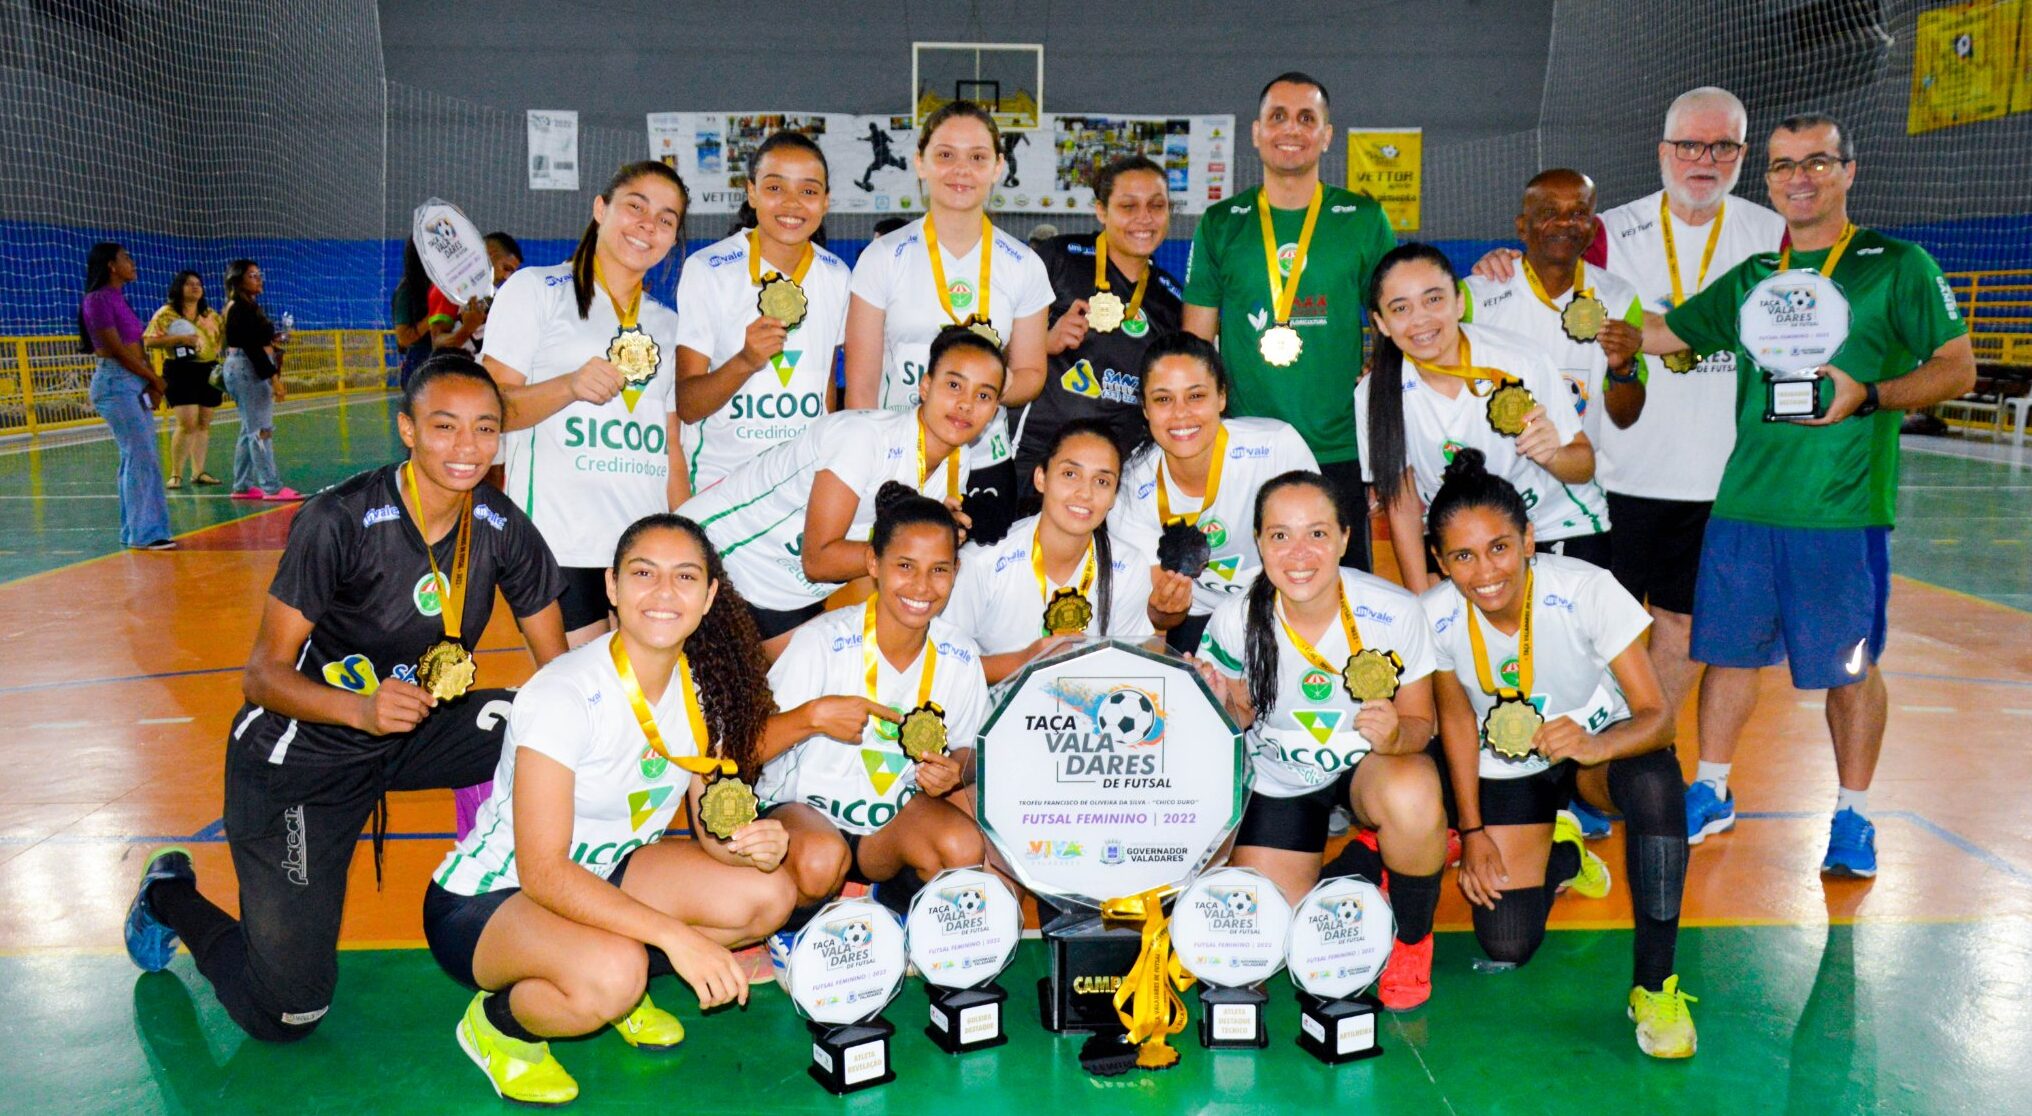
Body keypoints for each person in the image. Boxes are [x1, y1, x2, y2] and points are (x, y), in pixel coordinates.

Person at [122, 354, 570, 1044]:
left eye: (485, 429)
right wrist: (360, 711)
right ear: (408, 430)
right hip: (304, 757)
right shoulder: (340, 520)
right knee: (287, 1011)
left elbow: (559, 672)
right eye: (445, 426)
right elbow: (262, 676)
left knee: (547, 723)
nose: (467, 448)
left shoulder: (500, 524)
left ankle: (508, 887)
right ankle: (168, 893)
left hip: (415, 730)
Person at [1639, 113, 1975, 876]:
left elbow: (1958, 369)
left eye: (1817, 162)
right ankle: (1713, 788)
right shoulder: (1757, 276)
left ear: (1848, 171)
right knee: (1726, 657)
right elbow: (1663, 334)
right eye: (1784, 165)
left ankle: (1853, 814)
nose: (1799, 177)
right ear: (1768, 181)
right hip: (1744, 506)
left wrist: (1873, 392)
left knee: (1848, 670)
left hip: (1840, 513)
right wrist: (1566, 298)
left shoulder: (1898, 265)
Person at [1474, 88, 1786, 843]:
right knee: (1594, 631)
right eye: (1690, 146)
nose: (1704, 161)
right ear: (1663, 151)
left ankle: (1669, 771)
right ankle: (1587, 771)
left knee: (1687, 630)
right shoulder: (1607, 231)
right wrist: (1502, 265)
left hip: (1726, 475)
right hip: (1615, 478)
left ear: (1743, 156)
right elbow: (1548, 283)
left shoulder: (1775, 234)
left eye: (1723, 148)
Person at [425, 514, 795, 1105]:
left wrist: (750, 844)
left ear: (709, 597)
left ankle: (612, 973)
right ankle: (499, 1026)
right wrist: (676, 938)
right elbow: (542, 871)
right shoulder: (564, 695)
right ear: (612, 587)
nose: (664, 593)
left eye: (685, 576)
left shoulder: (700, 687)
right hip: (491, 897)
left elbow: (709, 829)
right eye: (644, 573)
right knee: (615, 974)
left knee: (769, 892)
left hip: (604, 874)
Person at [1423, 449, 1696, 1059]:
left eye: (1498, 546)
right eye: (1462, 556)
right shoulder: (1436, 617)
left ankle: (1655, 986)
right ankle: (1562, 856)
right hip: (1510, 767)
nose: (1485, 570)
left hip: (1600, 757)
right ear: (1439, 562)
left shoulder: (1585, 589)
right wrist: (1471, 831)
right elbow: (1458, 721)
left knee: (1656, 786)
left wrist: (1595, 744)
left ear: (1528, 539)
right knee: (1506, 943)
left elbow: (1658, 717)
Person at [1195, 471, 1446, 1010]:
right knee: (1273, 944)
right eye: (1279, 535)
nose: (1299, 553)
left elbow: (1423, 722)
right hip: (1280, 777)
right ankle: (1365, 861)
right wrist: (1224, 704)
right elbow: (1234, 721)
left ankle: (1412, 937)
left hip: (1366, 770)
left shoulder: (1395, 609)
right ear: (1259, 542)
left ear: (1345, 539)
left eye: (1317, 533)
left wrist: (1399, 734)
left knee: (1414, 794)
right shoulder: (1235, 619)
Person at [680, 326, 1007, 654]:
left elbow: (889, 567)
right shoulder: (863, 437)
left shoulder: (958, 463)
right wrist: (914, 545)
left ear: (995, 411)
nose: (966, 404)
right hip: (716, 555)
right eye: (954, 385)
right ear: (925, 386)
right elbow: (819, 560)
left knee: (801, 689)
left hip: (789, 593)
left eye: (983, 395)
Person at [1182, 72, 1396, 570]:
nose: (1291, 129)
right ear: (1256, 132)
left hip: (1339, 442)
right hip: (1243, 441)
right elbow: (1194, 344)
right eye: (1277, 116)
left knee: (1338, 586)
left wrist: (1381, 376)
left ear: (1326, 135)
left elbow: (1397, 317)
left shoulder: (1362, 218)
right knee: (1241, 584)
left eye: (1307, 118)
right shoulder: (1221, 222)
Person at [755, 482, 990, 927]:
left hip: (888, 824)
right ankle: (791, 931)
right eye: (905, 566)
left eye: (939, 569)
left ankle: (897, 915)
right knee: (821, 860)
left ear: (956, 571)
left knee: (962, 847)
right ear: (872, 563)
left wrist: (954, 770)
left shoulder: (959, 654)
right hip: (805, 814)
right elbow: (746, 750)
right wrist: (813, 717)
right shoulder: (820, 642)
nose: (922, 585)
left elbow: (970, 750)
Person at [484, 161, 689, 647]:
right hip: (558, 543)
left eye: (665, 219)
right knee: (578, 698)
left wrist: (686, 543)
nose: (647, 226)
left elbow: (671, 448)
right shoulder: (536, 291)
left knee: (642, 700)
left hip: (642, 546)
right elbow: (489, 415)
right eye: (635, 207)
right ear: (601, 209)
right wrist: (568, 386)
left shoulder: (668, 324)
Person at [844, 99, 1050, 541]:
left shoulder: (1023, 264)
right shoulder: (883, 257)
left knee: (973, 597)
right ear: (920, 163)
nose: (962, 169)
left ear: (998, 167)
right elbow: (860, 387)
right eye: (945, 155)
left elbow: (1032, 373)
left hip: (984, 458)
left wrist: (974, 392)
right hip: (898, 458)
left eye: (977, 157)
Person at [1354, 243, 1608, 593]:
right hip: (1461, 536)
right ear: (1380, 323)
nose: (1421, 319)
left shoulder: (1520, 361)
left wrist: (1553, 454)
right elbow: (1403, 504)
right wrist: (1421, 600)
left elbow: (1583, 466)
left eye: (1433, 299)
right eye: (1401, 308)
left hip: (1555, 525)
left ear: (1459, 302)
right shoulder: (1375, 392)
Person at [1109, 333, 1317, 653]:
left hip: (1281, 601)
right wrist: (1167, 607)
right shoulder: (1131, 487)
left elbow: (1318, 553)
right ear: (1145, 408)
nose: (1180, 414)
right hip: (1199, 613)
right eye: (1163, 399)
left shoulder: (1276, 448)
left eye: (1195, 396)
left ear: (1221, 397)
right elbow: (1162, 618)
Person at [674, 131, 849, 495]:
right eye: (775, 188)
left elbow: (826, 394)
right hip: (723, 487)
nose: (792, 203)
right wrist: (746, 360)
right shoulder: (709, 269)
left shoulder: (836, 275)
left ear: (826, 201)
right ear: (751, 192)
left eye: (809, 191)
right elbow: (688, 406)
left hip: (801, 488)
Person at [1014, 155, 1183, 513]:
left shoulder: (1171, 297)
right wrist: (1043, 341)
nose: (1144, 218)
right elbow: (988, 346)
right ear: (1101, 211)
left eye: (1157, 206)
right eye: (1128, 206)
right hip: (1036, 454)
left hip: (1116, 474)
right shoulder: (1058, 258)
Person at [946, 419, 1165, 682]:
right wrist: (1025, 662)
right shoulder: (981, 562)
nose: (1085, 493)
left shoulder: (1128, 566)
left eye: (1102, 481)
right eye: (1070, 474)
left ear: (1114, 498)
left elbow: (1131, 666)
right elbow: (944, 668)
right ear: (1041, 478)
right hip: (995, 713)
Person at [1463, 170, 1647, 443]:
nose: (1564, 223)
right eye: (1549, 212)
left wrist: (1623, 369)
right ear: (1522, 227)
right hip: (1493, 476)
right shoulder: (1475, 294)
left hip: (1573, 477)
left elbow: (1625, 418)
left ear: (1593, 230)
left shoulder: (1619, 297)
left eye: (1579, 213)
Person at [78, 242, 174, 550]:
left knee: (138, 456)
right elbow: (117, 351)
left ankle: (134, 531)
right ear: (110, 265)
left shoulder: (119, 299)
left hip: (133, 381)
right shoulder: (96, 300)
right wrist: (154, 378)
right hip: (116, 383)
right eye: (126, 258)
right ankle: (146, 534)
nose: (133, 263)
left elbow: (135, 345)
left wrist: (150, 383)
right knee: (141, 457)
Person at [219, 258, 301, 502]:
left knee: (249, 429)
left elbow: (255, 339)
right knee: (261, 429)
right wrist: (274, 379)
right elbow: (252, 348)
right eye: (252, 275)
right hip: (247, 368)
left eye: (258, 274)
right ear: (238, 280)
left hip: (244, 366)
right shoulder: (240, 308)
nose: (258, 279)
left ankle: (242, 485)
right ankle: (271, 486)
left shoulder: (247, 306)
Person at [143, 270, 225, 489]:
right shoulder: (166, 314)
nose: (195, 287)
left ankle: (198, 471)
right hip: (180, 370)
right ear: (179, 288)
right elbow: (149, 341)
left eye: (198, 284)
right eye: (189, 284)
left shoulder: (210, 314)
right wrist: (179, 339)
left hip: (208, 370)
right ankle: (176, 473)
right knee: (187, 423)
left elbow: (222, 339)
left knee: (204, 423)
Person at [393, 241, 436, 388]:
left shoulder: (442, 285)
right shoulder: (406, 291)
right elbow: (404, 338)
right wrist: (436, 314)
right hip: (420, 363)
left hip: (443, 358)